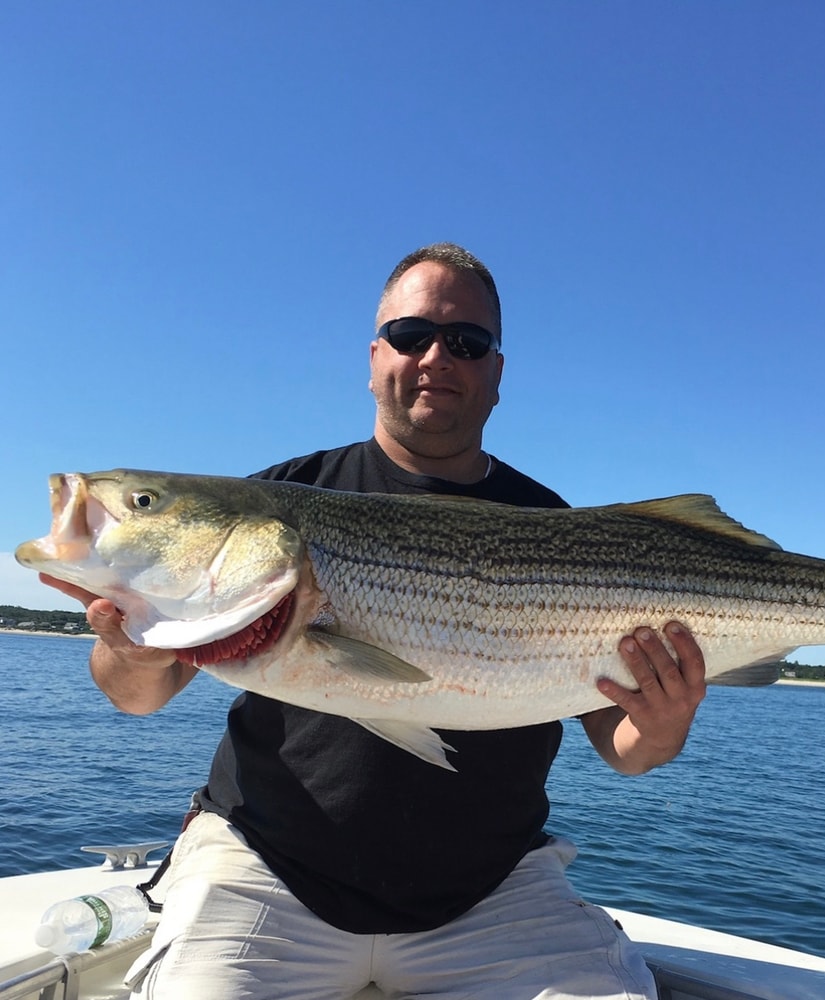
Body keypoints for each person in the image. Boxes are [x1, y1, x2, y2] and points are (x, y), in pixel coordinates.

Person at [43, 243, 707, 1000]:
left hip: (493, 885)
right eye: (409, 334)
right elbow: (135, 695)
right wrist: (127, 645)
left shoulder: (555, 525)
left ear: (495, 373)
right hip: (265, 866)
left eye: (466, 341)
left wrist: (661, 725)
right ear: (372, 357)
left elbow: (622, 751)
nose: (435, 356)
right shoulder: (285, 493)